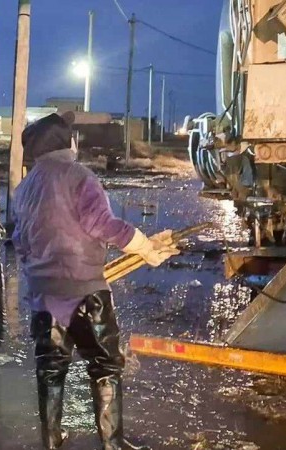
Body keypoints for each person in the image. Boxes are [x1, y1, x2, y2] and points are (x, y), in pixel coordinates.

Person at [12, 113, 179, 450]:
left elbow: (19, 241)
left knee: (50, 368)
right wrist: (145, 247)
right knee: (104, 366)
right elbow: (102, 224)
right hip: (86, 292)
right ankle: (112, 444)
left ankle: (52, 440)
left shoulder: (24, 188)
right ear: (67, 142)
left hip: (44, 296)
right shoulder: (79, 175)